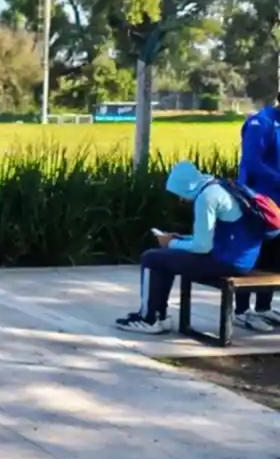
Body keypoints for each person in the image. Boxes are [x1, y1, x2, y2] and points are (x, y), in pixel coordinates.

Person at [115, 161, 265, 334]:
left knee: (151, 258)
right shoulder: (219, 187)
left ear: (186, 186)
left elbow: (202, 246)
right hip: (240, 258)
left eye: (179, 193)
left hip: (229, 262)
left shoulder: (206, 198)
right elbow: (219, 235)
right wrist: (181, 239)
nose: (181, 199)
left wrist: (170, 243)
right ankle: (158, 315)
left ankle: (150, 319)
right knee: (165, 257)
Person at [235, 96, 280, 330]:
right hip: (257, 201)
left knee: (273, 255)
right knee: (253, 254)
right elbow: (253, 163)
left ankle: (263, 307)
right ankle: (242, 310)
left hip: (277, 203)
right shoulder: (261, 123)